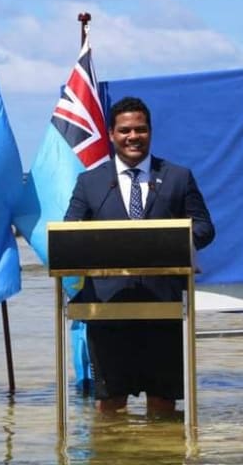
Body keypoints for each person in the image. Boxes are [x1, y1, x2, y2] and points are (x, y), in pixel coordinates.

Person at [64, 96, 215, 414]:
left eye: (140, 129)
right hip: (106, 306)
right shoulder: (90, 182)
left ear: (150, 132)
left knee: (163, 404)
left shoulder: (177, 177)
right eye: (125, 130)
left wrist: (172, 242)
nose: (133, 136)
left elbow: (204, 228)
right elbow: (70, 232)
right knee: (110, 404)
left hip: (164, 303)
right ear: (111, 134)